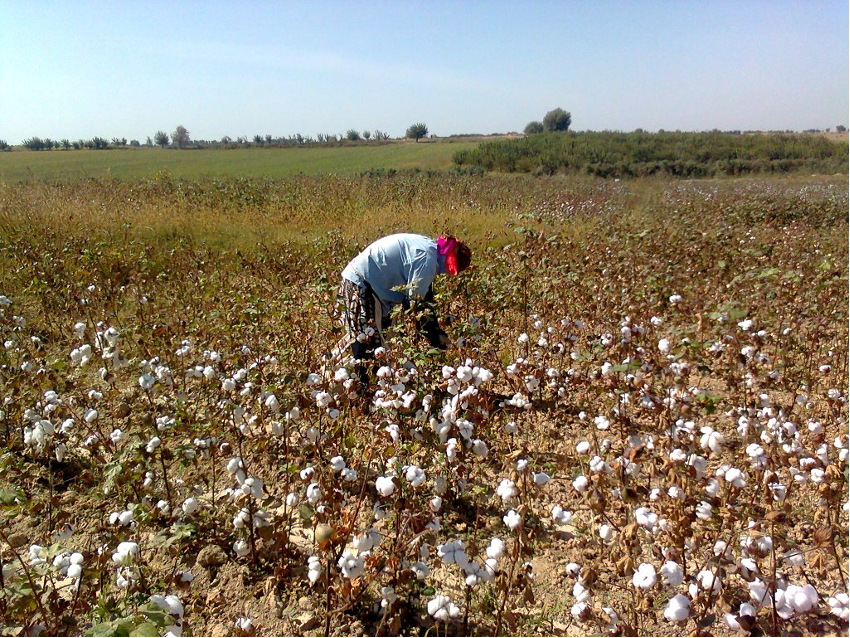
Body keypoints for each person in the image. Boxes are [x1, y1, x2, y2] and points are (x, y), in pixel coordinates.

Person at [339, 233, 472, 384]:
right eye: (451, 269)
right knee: (367, 345)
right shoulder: (426, 260)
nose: (447, 273)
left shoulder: (429, 249)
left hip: (368, 285)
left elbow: (424, 296)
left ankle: (365, 385)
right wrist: (432, 335)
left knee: (373, 341)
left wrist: (433, 327)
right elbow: (414, 304)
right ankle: (359, 390)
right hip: (362, 285)